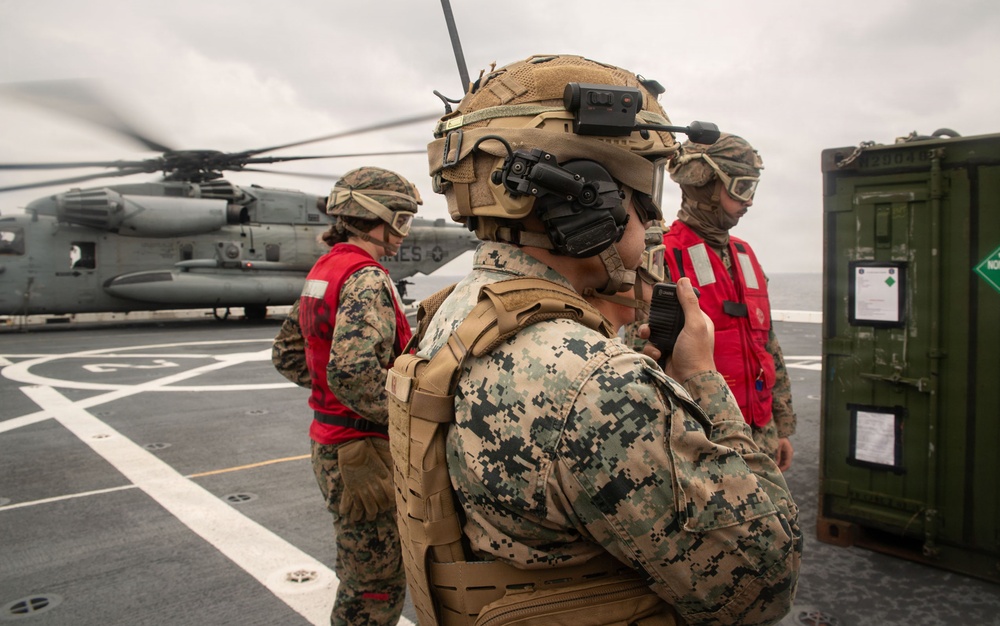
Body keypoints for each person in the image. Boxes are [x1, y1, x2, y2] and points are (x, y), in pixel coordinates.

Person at [393, 55, 801, 625]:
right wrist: (702, 382)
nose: (652, 215)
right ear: (592, 198)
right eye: (643, 190)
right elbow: (762, 584)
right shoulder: (595, 383)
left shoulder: (449, 316)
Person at [271, 166, 421, 625]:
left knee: (364, 573)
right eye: (401, 219)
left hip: (331, 441)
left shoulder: (326, 268)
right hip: (363, 453)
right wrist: (409, 416)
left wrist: (331, 398)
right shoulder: (366, 278)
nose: (403, 233)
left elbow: (288, 354)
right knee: (375, 586)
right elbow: (354, 373)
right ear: (376, 217)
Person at [663, 135, 797, 471]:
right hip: (701, 441)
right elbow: (646, 358)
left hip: (760, 433)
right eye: (740, 188)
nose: (749, 201)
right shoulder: (664, 256)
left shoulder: (746, 255)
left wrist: (781, 428)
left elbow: (767, 344)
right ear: (704, 186)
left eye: (753, 188)